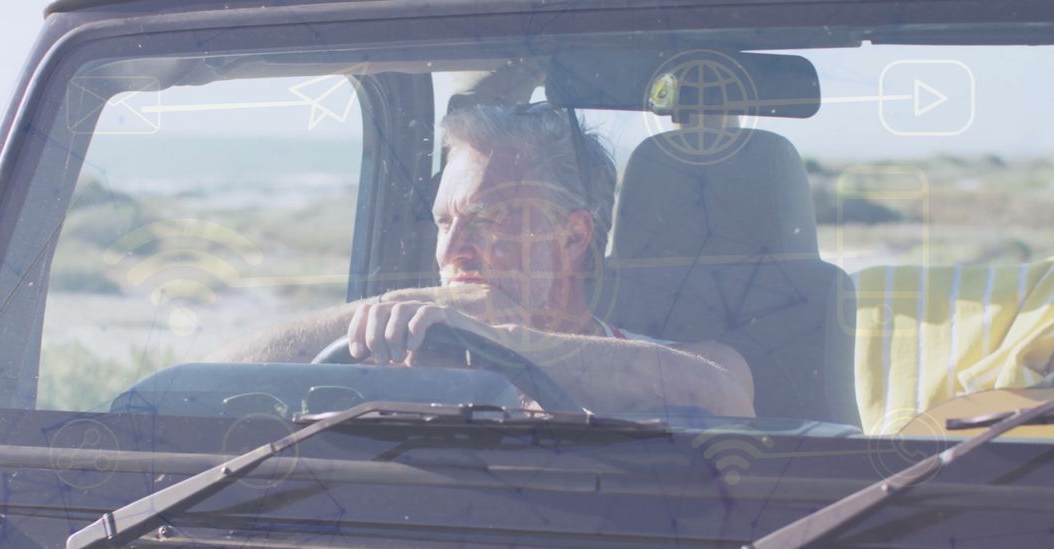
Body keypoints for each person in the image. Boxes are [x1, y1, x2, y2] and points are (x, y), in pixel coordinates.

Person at [210, 104, 754, 417]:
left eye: (487, 221)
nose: (450, 252)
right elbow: (211, 382)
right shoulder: (385, 369)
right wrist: (390, 311)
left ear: (572, 238)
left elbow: (723, 392)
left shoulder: (653, 365)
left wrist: (496, 343)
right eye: (444, 223)